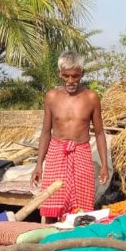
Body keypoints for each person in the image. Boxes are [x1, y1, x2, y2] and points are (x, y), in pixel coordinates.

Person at [31, 52, 109, 222]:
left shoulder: (91, 98)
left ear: (82, 73)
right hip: (56, 153)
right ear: (60, 73)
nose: (71, 81)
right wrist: (39, 164)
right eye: (66, 76)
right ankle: (50, 238)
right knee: (52, 204)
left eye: (75, 76)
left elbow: (99, 133)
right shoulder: (51, 97)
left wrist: (104, 165)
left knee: (81, 209)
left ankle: (77, 238)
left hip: (81, 153)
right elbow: (46, 132)